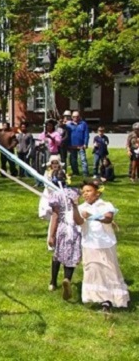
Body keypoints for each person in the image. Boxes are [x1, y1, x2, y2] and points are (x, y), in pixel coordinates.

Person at [72, 180, 129, 312]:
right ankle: (100, 299)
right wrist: (74, 207)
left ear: (97, 193)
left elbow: (108, 218)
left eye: (89, 191)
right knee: (93, 272)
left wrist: (93, 215)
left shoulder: (106, 205)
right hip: (89, 244)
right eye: (83, 192)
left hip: (106, 244)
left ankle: (112, 299)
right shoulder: (81, 207)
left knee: (109, 271)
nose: (85, 194)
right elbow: (79, 221)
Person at [46, 170, 81, 300]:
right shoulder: (75, 192)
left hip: (62, 228)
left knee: (57, 255)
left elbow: (55, 216)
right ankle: (67, 279)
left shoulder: (55, 195)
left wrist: (51, 235)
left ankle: (53, 282)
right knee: (71, 256)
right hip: (75, 228)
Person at [67, 111, 90, 176]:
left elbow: (86, 135)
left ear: (79, 117)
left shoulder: (83, 124)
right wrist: (68, 145)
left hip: (81, 145)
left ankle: (85, 173)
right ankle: (75, 172)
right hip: (72, 146)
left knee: (83, 160)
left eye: (77, 116)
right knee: (73, 161)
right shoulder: (69, 125)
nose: (76, 118)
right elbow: (67, 136)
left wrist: (86, 143)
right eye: (74, 116)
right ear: (72, 117)